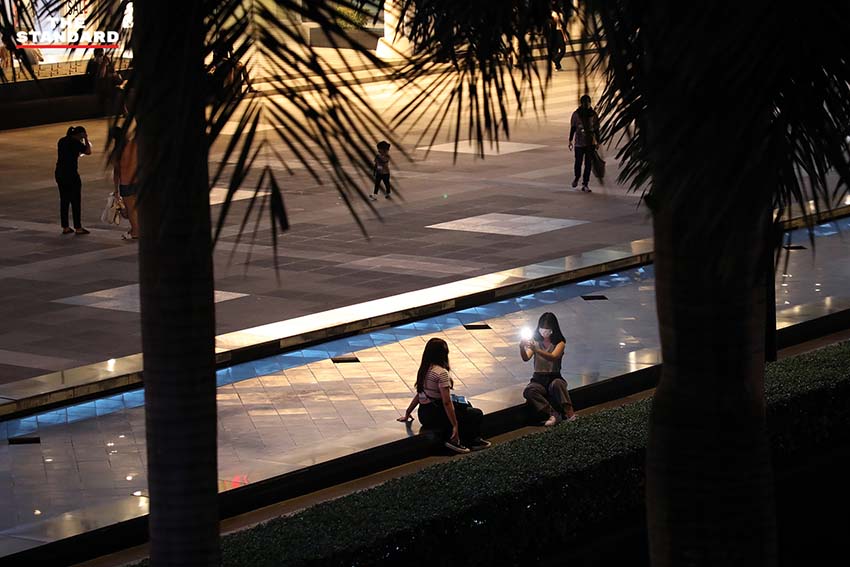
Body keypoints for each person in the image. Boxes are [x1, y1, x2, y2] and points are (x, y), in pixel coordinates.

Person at [397, 337, 491, 453]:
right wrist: (455, 425)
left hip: (424, 413)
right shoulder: (441, 373)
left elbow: (419, 393)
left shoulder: (424, 370)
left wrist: (408, 412)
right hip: (437, 413)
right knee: (475, 413)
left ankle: (466, 439)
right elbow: (446, 402)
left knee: (464, 409)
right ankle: (466, 441)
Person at [520, 312, 577, 426]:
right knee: (530, 391)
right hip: (538, 378)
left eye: (547, 329)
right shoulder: (535, 342)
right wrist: (521, 348)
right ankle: (553, 414)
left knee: (558, 385)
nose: (544, 332)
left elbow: (553, 357)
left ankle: (570, 413)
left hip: (554, 376)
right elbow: (526, 357)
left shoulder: (559, 343)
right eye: (542, 328)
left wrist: (537, 350)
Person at [55, 126, 92, 235]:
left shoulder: (61, 141)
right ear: (80, 135)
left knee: (64, 200)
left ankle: (65, 226)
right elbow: (88, 151)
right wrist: (86, 139)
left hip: (59, 173)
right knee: (75, 201)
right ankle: (78, 227)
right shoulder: (76, 143)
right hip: (71, 174)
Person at [111, 126, 139, 240]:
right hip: (138, 181)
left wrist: (116, 190)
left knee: (131, 210)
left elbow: (116, 173)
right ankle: (138, 229)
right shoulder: (134, 145)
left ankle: (136, 231)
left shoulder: (116, 153)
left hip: (126, 184)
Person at [568, 94, 601, 193]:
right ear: (581, 104)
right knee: (578, 162)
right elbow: (573, 128)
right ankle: (577, 177)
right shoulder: (576, 114)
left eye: (588, 103)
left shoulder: (593, 115)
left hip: (590, 144)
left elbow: (596, 129)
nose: (586, 105)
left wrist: (598, 141)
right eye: (584, 103)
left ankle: (585, 184)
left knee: (588, 164)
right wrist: (570, 140)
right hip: (579, 143)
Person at [549, 5, 567, 71]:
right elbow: (560, 26)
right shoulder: (556, 14)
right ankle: (555, 61)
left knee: (557, 49)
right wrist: (564, 36)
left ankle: (557, 65)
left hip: (555, 32)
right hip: (557, 32)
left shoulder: (554, 14)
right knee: (562, 49)